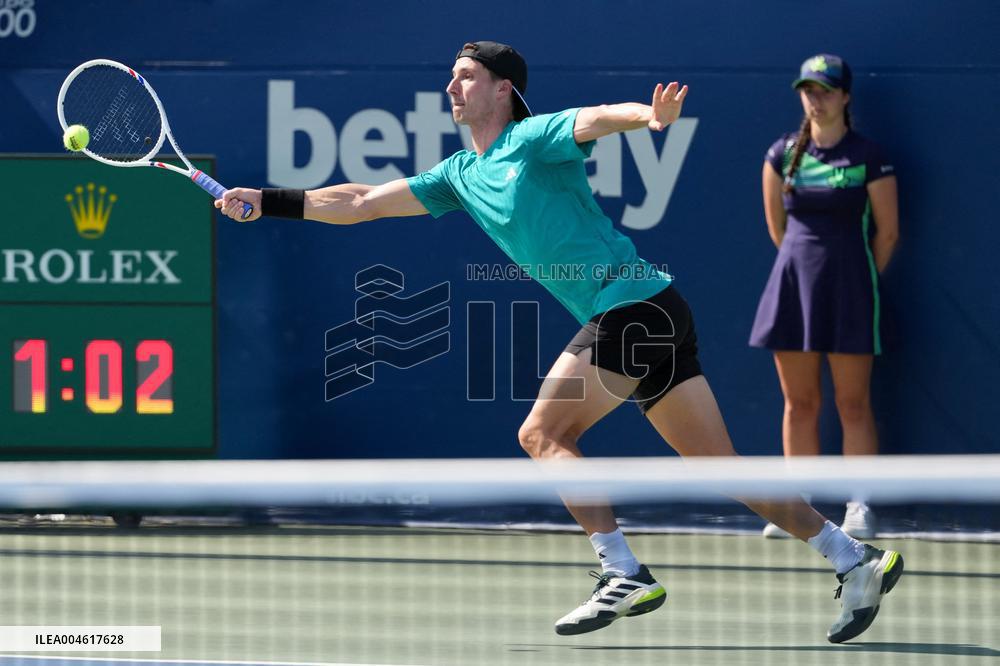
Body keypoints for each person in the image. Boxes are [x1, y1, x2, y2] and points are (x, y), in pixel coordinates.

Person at [217, 41, 902, 643]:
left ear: (501, 87)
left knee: (541, 434)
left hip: (633, 307)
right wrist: (270, 199)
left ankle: (622, 570)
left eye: (464, 76)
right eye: (451, 78)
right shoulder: (458, 175)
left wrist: (650, 118)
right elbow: (362, 201)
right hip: (653, 311)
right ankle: (851, 557)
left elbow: (599, 118)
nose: (451, 88)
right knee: (720, 469)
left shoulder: (535, 136)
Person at [749, 54, 900, 540]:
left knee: (853, 404)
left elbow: (889, 233)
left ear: (845, 97)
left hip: (851, 290)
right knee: (799, 402)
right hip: (792, 288)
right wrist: (806, 270)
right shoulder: (780, 154)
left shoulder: (868, 156)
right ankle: (802, 507)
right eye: (808, 89)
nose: (816, 98)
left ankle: (859, 503)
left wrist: (855, 279)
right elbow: (778, 229)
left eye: (826, 90)